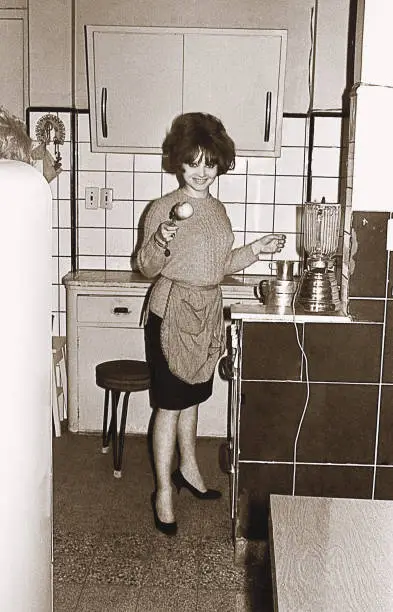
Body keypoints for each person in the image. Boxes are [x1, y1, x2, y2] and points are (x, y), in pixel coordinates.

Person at [137, 112, 286, 535]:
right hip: (171, 310)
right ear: (178, 162)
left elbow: (218, 266)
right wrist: (161, 240)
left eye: (210, 162)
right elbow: (146, 267)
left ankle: (190, 470)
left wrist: (257, 248)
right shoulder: (163, 209)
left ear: (220, 163)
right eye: (192, 162)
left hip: (205, 312)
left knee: (193, 397)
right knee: (168, 405)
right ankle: (163, 490)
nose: (201, 172)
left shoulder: (218, 211)